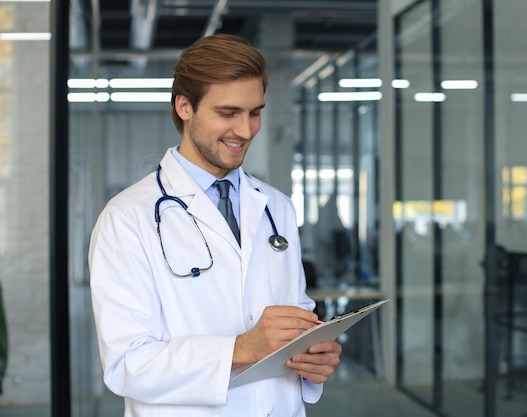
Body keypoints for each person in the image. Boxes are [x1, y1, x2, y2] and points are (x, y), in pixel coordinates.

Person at [88, 34, 342, 417]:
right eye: (228, 113)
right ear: (184, 106)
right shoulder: (126, 218)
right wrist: (241, 349)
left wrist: (313, 354)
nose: (245, 130)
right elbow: (127, 364)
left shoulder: (277, 207)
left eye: (255, 112)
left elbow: (297, 312)